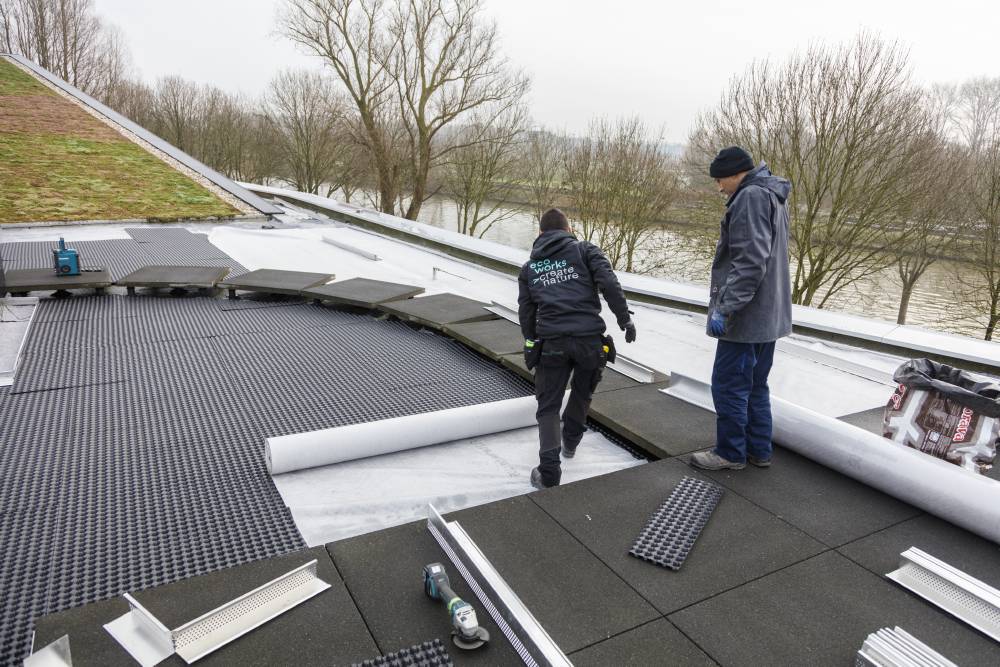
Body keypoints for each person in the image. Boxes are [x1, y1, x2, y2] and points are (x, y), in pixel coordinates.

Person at [518, 208, 636, 489]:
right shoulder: (586, 251)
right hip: (588, 342)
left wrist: (531, 342)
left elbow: (527, 313)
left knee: (548, 406)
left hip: (552, 344)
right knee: (582, 393)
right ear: (569, 230)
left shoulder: (530, 268)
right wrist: (625, 319)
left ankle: (549, 472)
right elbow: (609, 283)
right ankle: (570, 444)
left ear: (540, 234)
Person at [691, 146, 792, 471]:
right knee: (756, 384)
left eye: (721, 179)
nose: (719, 187)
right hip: (770, 316)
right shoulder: (772, 195)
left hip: (747, 316)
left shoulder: (750, 198)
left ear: (737, 174)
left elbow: (749, 262)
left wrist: (726, 308)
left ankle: (730, 453)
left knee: (729, 384)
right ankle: (758, 450)